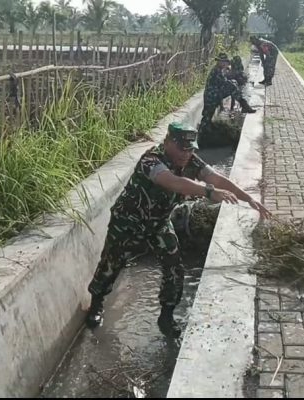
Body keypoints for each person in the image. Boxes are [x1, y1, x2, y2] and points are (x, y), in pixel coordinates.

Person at [85, 122, 272, 338]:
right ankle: (96, 304)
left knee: (174, 267)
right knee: (111, 264)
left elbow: (216, 178)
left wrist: (247, 198)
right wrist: (209, 192)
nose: (187, 154)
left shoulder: (191, 160)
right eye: (182, 148)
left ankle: (166, 316)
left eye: (191, 148)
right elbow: (173, 182)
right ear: (168, 143)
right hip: (128, 222)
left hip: (159, 224)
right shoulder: (151, 160)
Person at [200, 53, 255, 134]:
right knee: (207, 114)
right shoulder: (217, 71)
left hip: (215, 94)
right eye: (221, 61)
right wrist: (233, 81)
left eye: (224, 62)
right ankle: (244, 104)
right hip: (211, 96)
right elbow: (224, 82)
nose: (224, 63)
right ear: (218, 62)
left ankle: (244, 104)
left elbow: (225, 80)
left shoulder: (220, 70)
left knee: (208, 115)